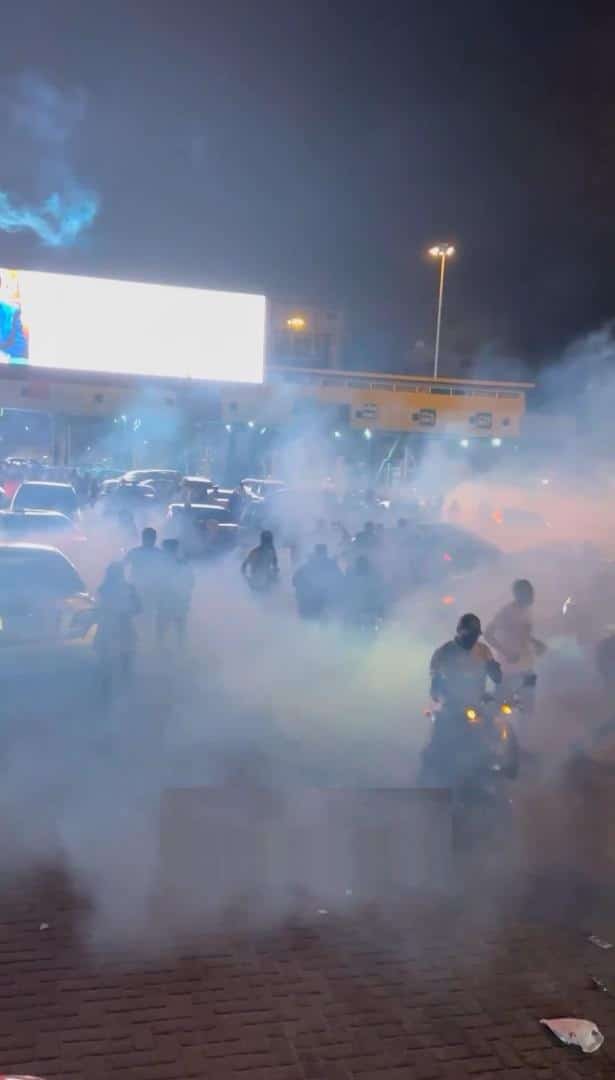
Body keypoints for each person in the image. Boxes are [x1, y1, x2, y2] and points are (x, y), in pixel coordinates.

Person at [485, 579, 545, 709]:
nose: (532, 595)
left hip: (527, 667)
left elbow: (522, 634)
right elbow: (488, 634)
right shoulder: (506, 612)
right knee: (499, 708)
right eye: (528, 593)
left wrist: (536, 643)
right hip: (509, 670)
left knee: (528, 709)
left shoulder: (527, 610)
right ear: (518, 594)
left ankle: (525, 729)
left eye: (531, 592)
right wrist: (506, 652)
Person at [430, 613, 502, 708]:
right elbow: (435, 674)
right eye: (468, 635)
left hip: (477, 699)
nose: (471, 638)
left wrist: (495, 670)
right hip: (451, 701)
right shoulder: (445, 651)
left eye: (474, 635)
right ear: (459, 631)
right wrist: (436, 689)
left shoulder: (483, 650)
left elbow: (496, 677)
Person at [95, 561, 141, 698]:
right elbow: (139, 608)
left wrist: (124, 612)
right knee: (118, 663)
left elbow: (138, 607)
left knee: (115, 662)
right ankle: (114, 694)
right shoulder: (107, 589)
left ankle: (111, 695)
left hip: (114, 627)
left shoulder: (104, 588)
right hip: (116, 627)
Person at [292, 543, 344, 620]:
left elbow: (295, 580)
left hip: (320, 600)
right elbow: (295, 580)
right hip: (315, 600)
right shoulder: (330, 564)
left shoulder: (309, 565)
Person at [157, 538, 194, 644]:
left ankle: (164, 649)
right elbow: (191, 582)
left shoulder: (161, 564)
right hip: (174, 601)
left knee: (166, 630)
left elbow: (190, 582)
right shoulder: (182, 563)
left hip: (172, 601)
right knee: (178, 630)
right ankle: (180, 651)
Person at [124, 526, 164, 623]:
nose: (151, 540)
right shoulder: (136, 552)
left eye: (152, 537)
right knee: (137, 614)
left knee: (148, 613)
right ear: (143, 538)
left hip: (151, 587)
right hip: (137, 586)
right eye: (149, 537)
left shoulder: (158, 553)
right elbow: (122, 565)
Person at [343, 554, 385, 627]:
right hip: (365, 611)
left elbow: (378, 595)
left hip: (365, 611)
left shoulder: (355, 578)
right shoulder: (372, 578)